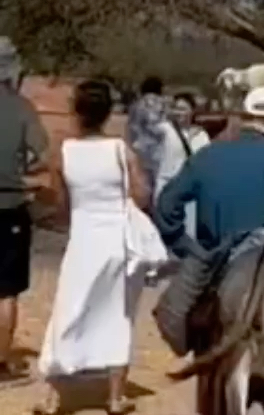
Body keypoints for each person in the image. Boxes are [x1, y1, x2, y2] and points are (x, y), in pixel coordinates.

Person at [34, 80, 152, 415]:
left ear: (76, 111)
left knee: (67, 310)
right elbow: (142, 194)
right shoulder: (121, 150)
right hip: (116, 239)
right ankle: (115, 397)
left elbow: (61, 205)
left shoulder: (64, 151)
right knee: (118, 313)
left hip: (84, 238)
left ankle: (53, 395)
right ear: (107, 113)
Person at [155, 86, 264, 256]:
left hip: (214, 260)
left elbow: (166, 206)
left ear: (242, 118)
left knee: (179, 282)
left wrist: (186, 247)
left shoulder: (206, 155)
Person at [0, 38, 48, 383]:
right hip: (10, 205)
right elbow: (43, 156)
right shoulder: (21, 109)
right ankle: (1, 363)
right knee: (5, 291)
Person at [154, 93, 211, 238]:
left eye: (183, 109)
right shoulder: (164, 129)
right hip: (166, 184)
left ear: (192, 111)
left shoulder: (201, 135)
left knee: (188, 230)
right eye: (176, 108)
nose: (179, 113)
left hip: (189, 190)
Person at [125, 77, 167, 204]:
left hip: (138, 147)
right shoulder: (161, 104)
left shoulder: (136, 105)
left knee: (141, 182)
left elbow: (131, 127)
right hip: (158, 148)